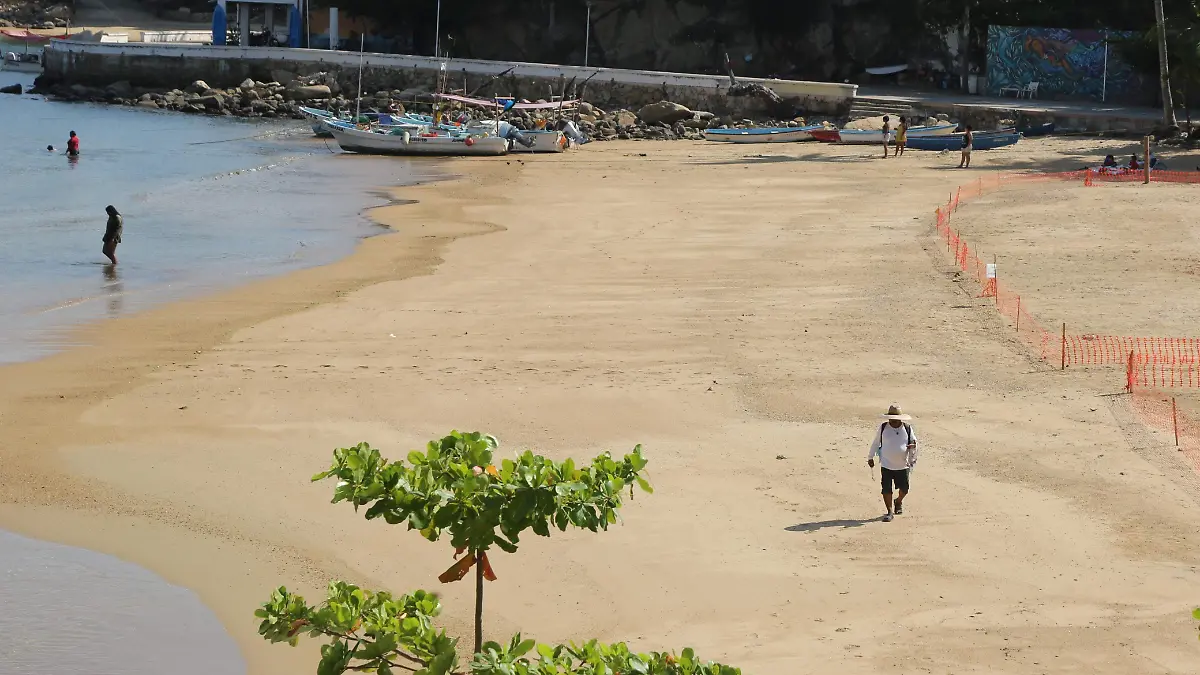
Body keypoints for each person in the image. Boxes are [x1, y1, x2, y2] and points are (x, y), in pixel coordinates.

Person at [866, 404, 918, 522]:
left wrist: (912, 450)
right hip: (886, 464)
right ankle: (889, 511)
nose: (893, 421)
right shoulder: (884, 427)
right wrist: (870, 457)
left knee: (905, 488)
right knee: (886, 489)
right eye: (891, 419)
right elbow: (876, 443)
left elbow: (914, 443)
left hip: (903, 465)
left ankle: (898, 501)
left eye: (895, 419)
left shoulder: (907, 428)